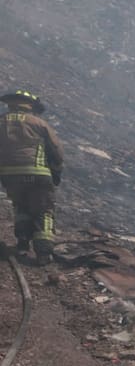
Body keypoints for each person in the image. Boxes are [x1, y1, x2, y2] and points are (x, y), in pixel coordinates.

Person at [0, 90, 64, 265]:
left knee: (21, 207)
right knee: (43, 211)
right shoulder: (39, 123)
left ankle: (22, 244)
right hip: (38, 174)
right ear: (31, 106)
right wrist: (56, 172)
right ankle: (43, 254)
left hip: (9, 176)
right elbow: (56, 151)